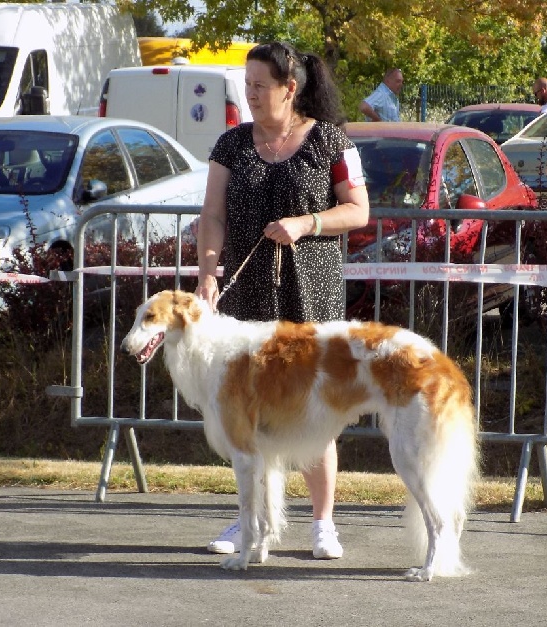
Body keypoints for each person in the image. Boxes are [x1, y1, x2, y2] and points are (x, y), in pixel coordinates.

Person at [195, 41, 369, 560]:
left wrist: (306, 223)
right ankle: (251, 521)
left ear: (290, 88)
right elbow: (212, 215)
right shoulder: (230, 145)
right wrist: (207, 273)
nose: (250, 95)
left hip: (310, 294)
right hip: (248, 300)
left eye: (259, 86)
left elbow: (358, 210)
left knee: (317, 412)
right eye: (245, 85)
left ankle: (323, 524)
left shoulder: (331, 140)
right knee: (248, 416)